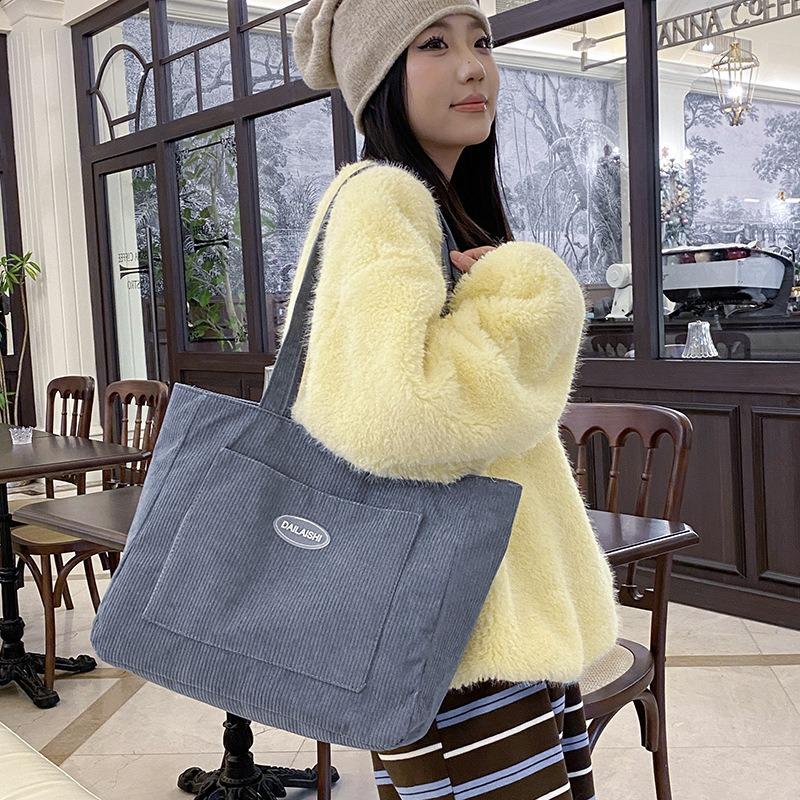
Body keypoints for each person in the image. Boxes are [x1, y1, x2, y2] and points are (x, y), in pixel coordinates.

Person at [290, 2, 619, 798]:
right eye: (433, 44)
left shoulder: (435, 206)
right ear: (379, 80)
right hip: (459, 630)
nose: (474, 67)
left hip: (478, 608)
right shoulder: (383, 199)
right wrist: (531, 291)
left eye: (481, 41)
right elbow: (395, 412)